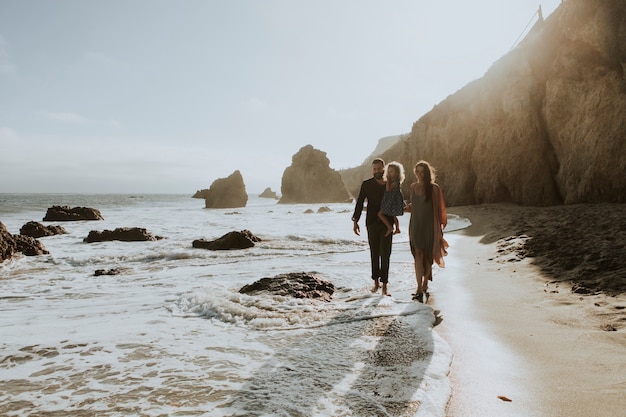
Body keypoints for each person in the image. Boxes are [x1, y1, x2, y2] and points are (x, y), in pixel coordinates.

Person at [405, 160, 448, 303]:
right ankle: (418, 287)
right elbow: (414, 206)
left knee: (428, 255)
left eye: (423, 172)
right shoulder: (412, 187)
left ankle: (425, 284)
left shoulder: (434, 189)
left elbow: (440, 209)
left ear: (427, 173)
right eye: (417, 171)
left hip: (430, 226)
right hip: (416, 226)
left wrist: (439, 229)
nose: (420, 174)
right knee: (418, 253)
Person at [352, 158, 394, 296]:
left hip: (387, 223)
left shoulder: (389, 183)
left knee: (386, 253)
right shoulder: (367, 184)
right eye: (374, 169)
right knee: (374, 253)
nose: (377, 171)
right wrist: (355, 220)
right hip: (371, 222)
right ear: (372, 170)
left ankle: (385, 286)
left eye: (379, 169)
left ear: (383, 168)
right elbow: (359, 203)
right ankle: (376, 283)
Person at [377, 161, 405, 236]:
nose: (389, 173)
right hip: (391, 199)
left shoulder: (395, 181)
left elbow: (388, 189)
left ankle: (390, 227)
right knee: (392, 215)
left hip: (392, 200)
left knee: (380, 214)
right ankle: (397, 229)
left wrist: (388, 180)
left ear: (397, 173)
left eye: (391, 172)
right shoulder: (393, 180)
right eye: (388, 172)